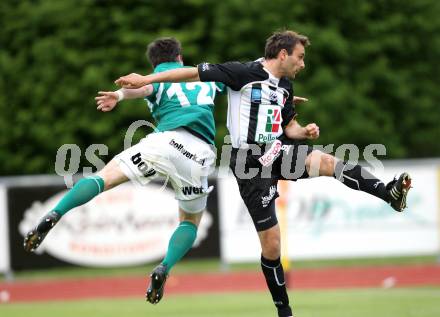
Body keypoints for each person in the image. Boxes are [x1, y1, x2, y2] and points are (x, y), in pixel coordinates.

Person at [115, 30, 412, 317]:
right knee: (272, 246)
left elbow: (287, 126)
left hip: (276, 152)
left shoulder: (285, 86)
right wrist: (147, 79)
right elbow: (191, 73)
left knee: (328, 162)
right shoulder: (242, 73)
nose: (303, 63)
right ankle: (284, 309)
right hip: (249, 165)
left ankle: (388, 193)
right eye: (300, 56)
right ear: (283, 54)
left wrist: (303, 131)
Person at [23, 37, 224, 305]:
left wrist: (117, 95)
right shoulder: (206, 77)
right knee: (189, 221)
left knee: (101, 178)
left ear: (154, 63)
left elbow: (139, 91)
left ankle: (55, 212)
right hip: (197, 153)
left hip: (162, 143)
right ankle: (164, 267)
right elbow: (241, 86)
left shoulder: (155, 77)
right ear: (180, 57)